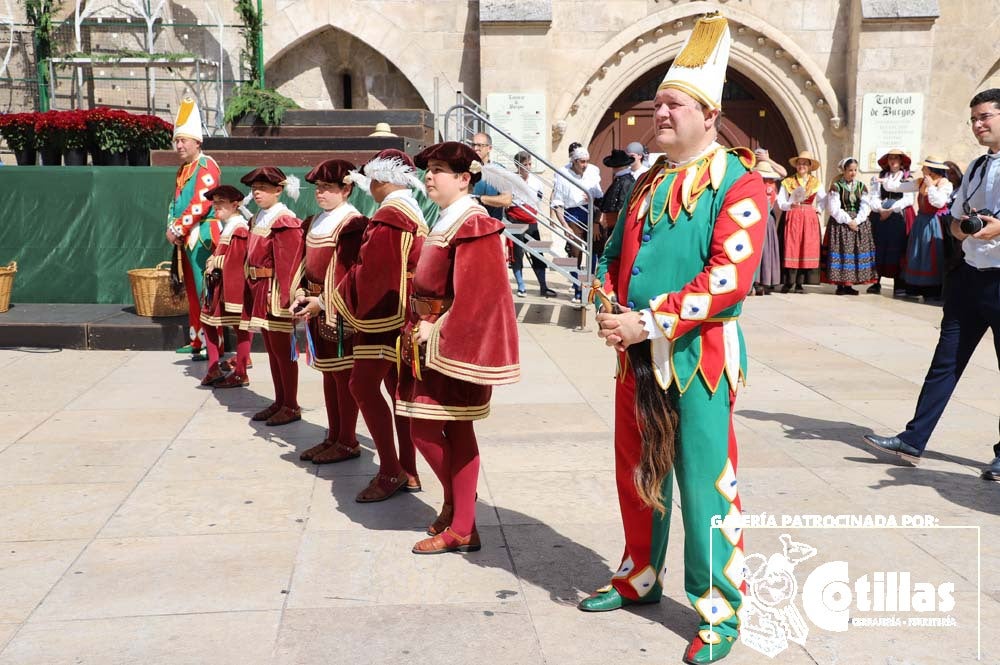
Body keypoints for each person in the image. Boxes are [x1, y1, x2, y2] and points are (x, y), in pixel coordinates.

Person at [588, 13, 766, 664]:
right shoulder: (644, 183)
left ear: (709, 115)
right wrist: (608, 304)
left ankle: (718, 608)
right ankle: (639, 574)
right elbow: (611, 256)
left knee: (703, 484)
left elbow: (730, 277)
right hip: (633, 356)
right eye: (657, 102)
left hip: (700, 360)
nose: (658, 113)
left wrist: (650, 319)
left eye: (672, 103)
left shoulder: (740, 183)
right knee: (638, 473)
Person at [863, 88, 1000, 479]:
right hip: (970, 278)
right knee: (945, 362)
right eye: (973, 118)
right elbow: (955, 220)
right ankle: (914, 438)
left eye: (985, 117)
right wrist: (965, 229)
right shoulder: (975, 167)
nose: (978, 125)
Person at [397, 141, 520, 554]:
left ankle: (462, 520)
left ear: (464, 178)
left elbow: (482, 294)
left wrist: (439, 327)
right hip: (428, 337)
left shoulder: (473, 222)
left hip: (451, 343)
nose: (429, 176)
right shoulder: (448, 217)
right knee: (439, 426)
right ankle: (459, 511)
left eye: (438, 170)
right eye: (428, 169)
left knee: (431, 427)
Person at [331, 149, 426, 502]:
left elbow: (374, 274)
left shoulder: (389, 216)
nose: (369, 186)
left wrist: (334, 299)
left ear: (384, 180)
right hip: (405, 311)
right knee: (398, 392)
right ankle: (409, 468)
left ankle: (391, 471)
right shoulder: (410, 209)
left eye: (373, 179)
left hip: (386, 314)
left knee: (362, 385)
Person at [293, 159, 367, 464]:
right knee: (328, 373)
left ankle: (348, 440)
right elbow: (303, 262)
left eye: (328, 187)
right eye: (318, 187)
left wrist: (323, 301)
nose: (320, 193)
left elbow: (350, 272)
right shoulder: (315, 221)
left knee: (343, 376)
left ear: (346, 189)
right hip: (314, 307)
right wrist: (298, 290)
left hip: (338, 310)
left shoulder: (352, 223)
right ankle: (333, 435)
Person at [239, 166, 305, 426]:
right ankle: (280, 401)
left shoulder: (283, 220)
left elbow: (289, 264)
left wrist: (285, 301)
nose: (257, 193)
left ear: (279, 190)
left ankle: (291, 404)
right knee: (271, 350)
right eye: (254, 189)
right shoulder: (258, 218)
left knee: (283, 351)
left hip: (274, 294)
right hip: (258, 291)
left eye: (263, 189)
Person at [166, 97, 222, 360]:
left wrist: (177, 228)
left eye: (183, 140)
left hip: (202, 238)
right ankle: (197, 340)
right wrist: (172, 226)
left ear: (197, 142)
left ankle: (215, 343)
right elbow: (175, 203)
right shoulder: (183, 169)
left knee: (206, 291)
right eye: (176, 140)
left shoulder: (206, 166)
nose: (178, 145)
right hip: (187, 238)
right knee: (192, 290)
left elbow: (201, 202)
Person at [198, 185, 253, 388]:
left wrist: (216, 262)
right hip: (218, 285)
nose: (216, 207)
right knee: (208, 321)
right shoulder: (230, 225)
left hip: (231, 287)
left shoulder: (239, 228)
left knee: (240, 327)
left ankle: (241, 371)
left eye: (221, 203)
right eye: (215, 203)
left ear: (235, 205)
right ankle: (214, 367)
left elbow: (237, 260)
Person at [880, 156, 954, 300]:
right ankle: (915, 287)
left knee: (931, 254)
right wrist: (885, 181)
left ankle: (932, 290)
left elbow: (938, 202)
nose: (922, 170)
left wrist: (931, 186)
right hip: (921, 221)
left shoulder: (944, 183)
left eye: (924, 168)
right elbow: (899, 187)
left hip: (934, 222)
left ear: (932, 170)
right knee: (917, 253)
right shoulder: (921, 182)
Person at [552, 145, 604, 303]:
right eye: (582, 162)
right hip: (572, 215)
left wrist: (596, 215)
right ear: (574, 161)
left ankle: (589, 289)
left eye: (587, 161)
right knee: (575, 255)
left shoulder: (593, 171)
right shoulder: (562, 174)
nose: (585, 165)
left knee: (593, 253)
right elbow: (557, 203)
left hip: (591, 213)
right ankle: (577, 289)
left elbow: (600, 196)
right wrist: (565, 226)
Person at [821, 157, 876, 295]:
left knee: (854, 253)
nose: (853, 173)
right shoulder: (836, 186)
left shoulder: (861, 186)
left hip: (858, 222)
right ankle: (840, 285)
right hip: (841, 223)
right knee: (842, 252)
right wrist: (847, 220)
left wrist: (857, 220)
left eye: (855, 170)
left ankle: (850, 284)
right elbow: (833, 208)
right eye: (850, 170)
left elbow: (865, 205)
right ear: (844, 170)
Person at [505, 149, 557, 297]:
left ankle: (543, 286)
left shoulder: (536, 181)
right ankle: (521, 286)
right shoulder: (511, 180)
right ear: (518, 165)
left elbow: (539, 198)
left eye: (529, 164)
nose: (527, 167)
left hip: (531, 220)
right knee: (517, 254)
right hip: (515, 219)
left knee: (538, 254)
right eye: (524, 164)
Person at [867, 148, 915, 296]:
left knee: (898, 247)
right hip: (880, 215)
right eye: (890, 158)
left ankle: (898, 284)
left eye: (896, 158)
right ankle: (875, 281)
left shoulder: (907, 178)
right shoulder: (880, 177)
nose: (893, 161)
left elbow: (908, 199)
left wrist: (891, 210)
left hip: (898, 216)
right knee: (878, 246)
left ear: (901, 161)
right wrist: (880, 209)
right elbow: (873, 196)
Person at [777, 150, 825, 293]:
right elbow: (780, 201)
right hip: (793, 215)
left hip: (809, 217)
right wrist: (788, 206)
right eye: (799, 163)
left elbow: (824, 199)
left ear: (810, 166)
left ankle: (800, 283)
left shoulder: (816, 183)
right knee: (792, 247)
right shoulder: (788, 182)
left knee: (806, 247)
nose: (802, 166)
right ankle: (788, 282)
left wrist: (819, 209)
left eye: (805, 163)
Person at [753, 160, 783, 295]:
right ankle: (760, 281)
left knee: (762, 250)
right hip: (760, 218)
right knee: (762, 250)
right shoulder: (771, 185)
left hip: (761, 218)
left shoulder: (769, 186)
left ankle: (759, 281)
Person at [469, 132, 512, 221]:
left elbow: (507, 200)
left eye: (480, 145)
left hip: (492, 225)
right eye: (473, 145)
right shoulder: (464, 168)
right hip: (469, 224)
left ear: (489, 148)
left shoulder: (499, 171)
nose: (475, 148)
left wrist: (480, 199)